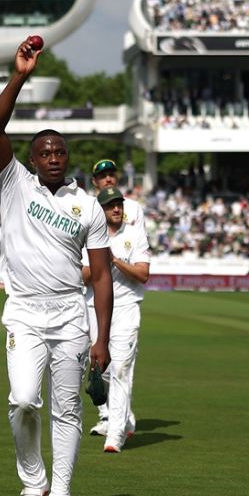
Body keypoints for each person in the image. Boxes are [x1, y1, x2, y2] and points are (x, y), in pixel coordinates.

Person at [0, 37, 112, 496]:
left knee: (67, 411)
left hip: (69, 314)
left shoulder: (89, 206)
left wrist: (102, 336)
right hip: (24, 310)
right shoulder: (14, 183)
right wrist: (20, 75)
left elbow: (100, 275)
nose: (54, 156)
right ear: (33, 159)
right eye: (45, 150)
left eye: (60, 150)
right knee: (21, 400)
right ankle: (32, 482)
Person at [83, 188, 150, 454]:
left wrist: (114, 260)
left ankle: (115, 433)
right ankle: (125, 416)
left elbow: (143, 274)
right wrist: (98, 262)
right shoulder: (88, 237)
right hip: (95, 308)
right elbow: (82, 276)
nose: (116, 209)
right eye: (110, 205)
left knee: (121, 368)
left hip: (126, 308)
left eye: (119, 204)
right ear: (101, 210)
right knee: (103, 369)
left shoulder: (134, 235)